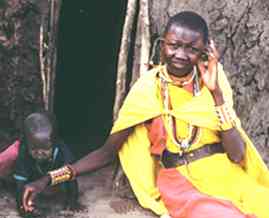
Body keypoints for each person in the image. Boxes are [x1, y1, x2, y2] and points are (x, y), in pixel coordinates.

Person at [22, 11, 269, 218]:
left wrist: (216, 95)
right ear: (163, 45)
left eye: (192, 48)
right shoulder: (148, 89)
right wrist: (48, 178)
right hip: (181, 181)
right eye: (173, 45)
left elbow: (237, 155)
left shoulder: (215, 82)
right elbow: (107, 153)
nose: (180, 54)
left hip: (224, 173)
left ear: (205, 50)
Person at [14, 112, 82, 217]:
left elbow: (71, 176)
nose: (39, 153)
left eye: (45, 149)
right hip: (34, 184)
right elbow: (19, 185)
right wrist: (22, 207)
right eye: (34, 149)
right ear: (26, 143)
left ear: (55, 143)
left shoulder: (63, 152)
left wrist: (73, 201)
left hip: (56, 181)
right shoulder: (23, 153)